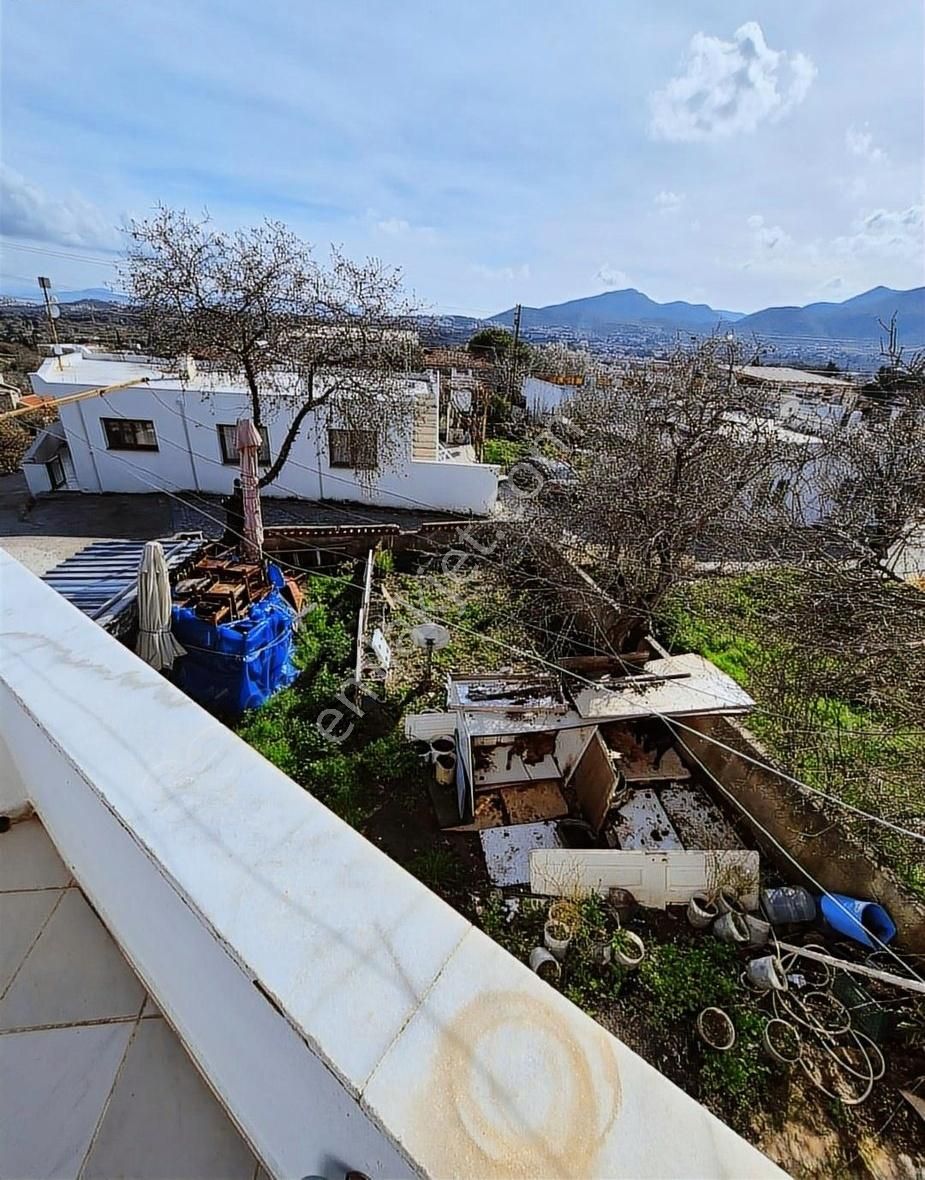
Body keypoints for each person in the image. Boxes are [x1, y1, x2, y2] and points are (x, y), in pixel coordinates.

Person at [222, 478, 244, 548]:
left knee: (232, 535)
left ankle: (231, 545)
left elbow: (227, 505)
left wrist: (224, 502)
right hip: (239, 521)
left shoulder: (235, 498)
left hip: (234, 521)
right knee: (236, 534)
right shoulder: (243, 497)